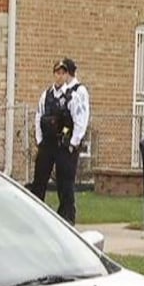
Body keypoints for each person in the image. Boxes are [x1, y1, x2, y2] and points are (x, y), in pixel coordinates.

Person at [29, 58, 90, 225]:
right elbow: (38, 116)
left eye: (63, 73)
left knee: (65, 182)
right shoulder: (46, 94)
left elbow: (79, 119)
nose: (60, 76)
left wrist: (73, 142)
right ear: (53, 74)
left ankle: (67, 217)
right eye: (57, 73)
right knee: (39, 179)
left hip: (64, 144)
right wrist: (39, 140)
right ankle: (34, 213)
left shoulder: (73, 95)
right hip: (47, 144)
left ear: (67, 75)